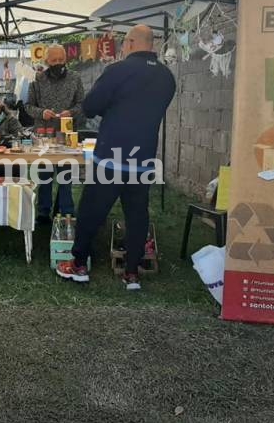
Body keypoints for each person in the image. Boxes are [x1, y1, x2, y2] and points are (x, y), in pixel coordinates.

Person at [56, 25, 176, 290]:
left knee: (91, 211)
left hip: (111, 157)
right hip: (143, 159)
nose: (122, 47)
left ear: (131, 43)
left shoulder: (117, 71)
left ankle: (78, 265)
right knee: (137, 215)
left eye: (124, 43)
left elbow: (90, 106)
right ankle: (131, 273)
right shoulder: (167, 77)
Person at [26, 45, 84, 224]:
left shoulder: (75, 78)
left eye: (61, 60)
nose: (58, 63)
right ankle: (43, 213)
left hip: (67, 136)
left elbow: (82, 104)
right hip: (43, 136)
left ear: (65, 59)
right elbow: (28, 106)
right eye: (54, 61)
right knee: (44, 177)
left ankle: (67, 213)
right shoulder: (37, 80)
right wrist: (42, 112)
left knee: (65, 177)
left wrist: (71, 112)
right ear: (46, 61)